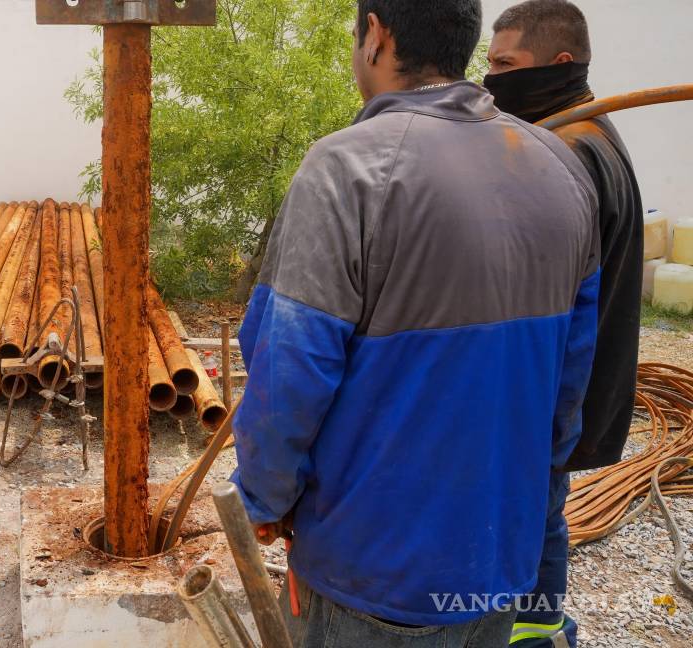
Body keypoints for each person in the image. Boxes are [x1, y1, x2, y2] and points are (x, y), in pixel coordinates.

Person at [230, 0, 602, 646]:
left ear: (376, 36)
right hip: (497, 566)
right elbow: (569, 390)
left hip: (373, 574)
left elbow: (288, 373)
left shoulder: (347, 169)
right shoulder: (559, 167)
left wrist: (261, 501)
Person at [484, 2, 644, 646]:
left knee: (532, 515)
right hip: (571, 388)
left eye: (506, 65)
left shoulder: (570, 149)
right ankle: (538, 626)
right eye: (489, 62)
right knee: (539, 510)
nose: (491, 79)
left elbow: (534, 297)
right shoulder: (589, 129)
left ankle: (532, 633)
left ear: (560, 63)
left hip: (553, 389)